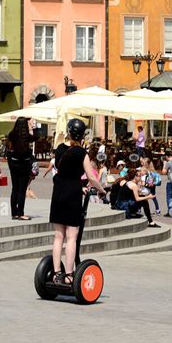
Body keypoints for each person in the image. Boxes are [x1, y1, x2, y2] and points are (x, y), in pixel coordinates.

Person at [50, 118, 106, 285]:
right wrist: (102, 190)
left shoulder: (59, 149)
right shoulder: (82, 153)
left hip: (58, 191)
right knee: (72, 237)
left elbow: (62, 171)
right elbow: (90, 177)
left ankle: (56, 273)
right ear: (82, 135)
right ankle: (68, 275)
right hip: (73, 193)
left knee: (58, 236)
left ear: (68, 132)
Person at [6, 117, 35, 220]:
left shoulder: (12, 134)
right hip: (24, 164)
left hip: (14, 163)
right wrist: (32, 128)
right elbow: (36, 138)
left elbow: (8, 149)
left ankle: (14, 213)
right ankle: (20, 213)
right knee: (22, 189)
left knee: (15, 188)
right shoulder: (27, 136)